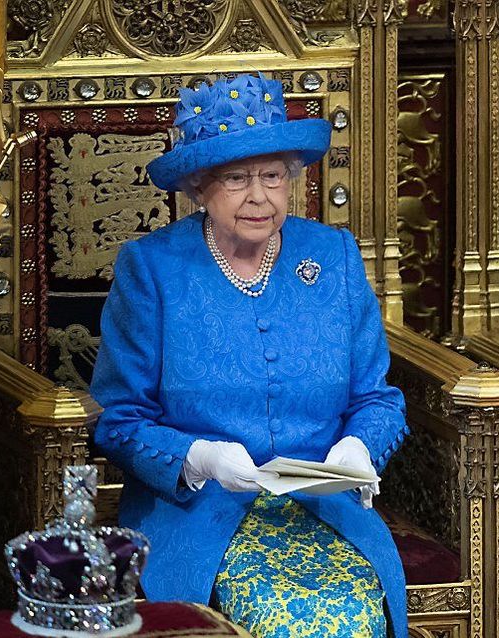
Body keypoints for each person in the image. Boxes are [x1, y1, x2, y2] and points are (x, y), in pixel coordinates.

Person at [90, 72, 409, 638]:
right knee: (288, 618)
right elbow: (118, 420)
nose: (258, 196)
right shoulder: (153, 269)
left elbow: (376, 397)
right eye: (235, 178)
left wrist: (361, 447)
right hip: (200, 515)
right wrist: (199, 458)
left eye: (272, 175)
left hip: (327, 510)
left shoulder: (332, 255)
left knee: (350, 611)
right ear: (198, 187)